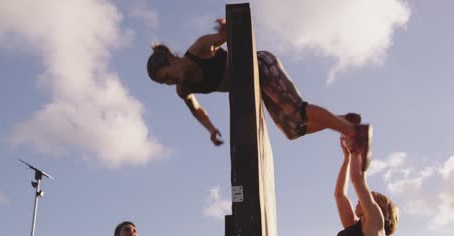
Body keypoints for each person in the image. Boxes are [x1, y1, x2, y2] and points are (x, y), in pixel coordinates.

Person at [146, 18, 371, 171]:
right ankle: (342, 121)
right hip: (252, 86)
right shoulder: (183, 89)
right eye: (163, 83)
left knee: (296, 110)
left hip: (260, 66)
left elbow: (224, 37)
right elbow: (196, 109)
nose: (169, 83)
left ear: (170, 60)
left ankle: (355, 132)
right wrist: (211, 129)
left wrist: (225, 27)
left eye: (167, 76)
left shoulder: (199, 49)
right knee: (293, 131)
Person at [328, 136, 399, 236]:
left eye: (366, 197)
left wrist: (355, 149)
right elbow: (340, 195)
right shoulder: (355, 228)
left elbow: (358, 179)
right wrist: (347, 158)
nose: (360, 199)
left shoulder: (375, 226)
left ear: (379, 208)